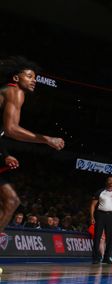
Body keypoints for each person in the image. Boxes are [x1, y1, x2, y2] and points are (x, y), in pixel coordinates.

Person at [0, 57, 64, 241]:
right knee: (11, 202)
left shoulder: (11, 92)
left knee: (12, 201)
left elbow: (3, 132)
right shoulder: (14, 92)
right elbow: (11, 129)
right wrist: (45, 139)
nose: (33, 80)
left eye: (34, 77)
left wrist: (4, 155)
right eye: (29, 76)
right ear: (16, 78)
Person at [90, 176, 112, 264]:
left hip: (111, 216)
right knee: (97, 236)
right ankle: (96, 257)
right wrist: (92, 217)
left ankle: (107, 257)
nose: (110, 182)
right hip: (100, 215)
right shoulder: (100, 192)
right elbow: (92, 205)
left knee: (110, 238)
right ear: (106, 182)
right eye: (109, 180)